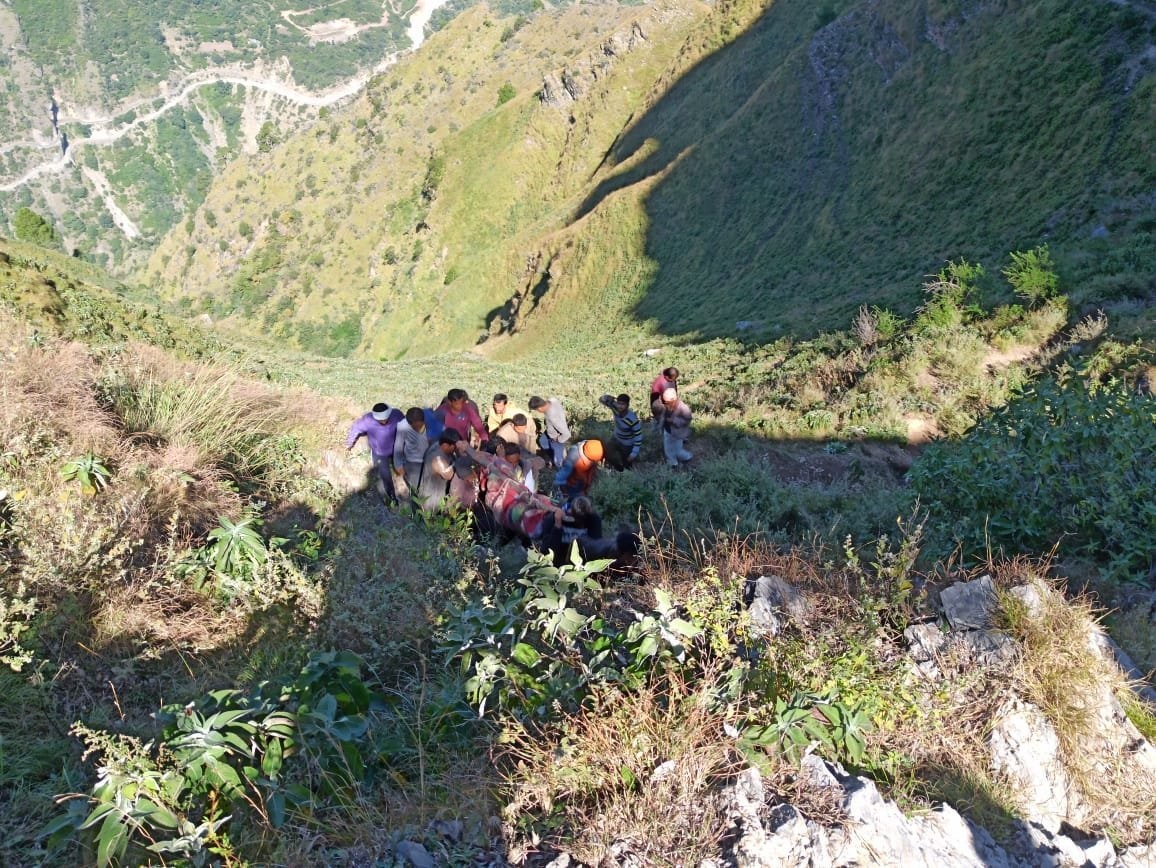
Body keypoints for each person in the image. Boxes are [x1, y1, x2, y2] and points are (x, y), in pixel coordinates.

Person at [458, 442, 564, 541]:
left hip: (521, 493)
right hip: (504, 498)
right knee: (522, 512)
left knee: (542, 501)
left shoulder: (519, 465)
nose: (514, 464)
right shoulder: (497, 464)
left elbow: (539, 462)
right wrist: (467, 448)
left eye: (516, 462)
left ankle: (551, 519)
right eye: (511, 462)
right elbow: (481, 459)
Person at [345, 402, 404, 502]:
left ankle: (408, 487)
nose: (384, 421)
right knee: (385, 476)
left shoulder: (396, 415)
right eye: (380, 420)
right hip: (379, 452)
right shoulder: (368, 420)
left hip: (396, 448)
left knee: (403, 467)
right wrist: (349, 444)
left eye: (385, 418)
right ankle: (392, 497)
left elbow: (406, 425)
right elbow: (355, 428)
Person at [416, 431, 461, 512]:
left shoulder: (438, 444)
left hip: (435, 495)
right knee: (432, 522)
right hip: (431, 501)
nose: (455, 449)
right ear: (446, 445)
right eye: (454, 447)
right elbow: (449, 475)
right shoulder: (437, 459)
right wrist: (461, 460)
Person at [494, 413, 540, 490]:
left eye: (524, 428)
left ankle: (533, 486)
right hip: (512, 456)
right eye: (519, 429)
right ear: (512, 425)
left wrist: (533, 455)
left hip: (527, 451)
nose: (522, 431)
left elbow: (532, 439)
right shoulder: (502, 434)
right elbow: (502, 452)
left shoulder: (531, 423)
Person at [392, 407, 430, 500]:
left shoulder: (430, 422)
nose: (418, 428)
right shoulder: (402, 426)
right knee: (416, 492)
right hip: (413, 463)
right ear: (409, 423)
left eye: (420, 426)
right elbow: (398, 447)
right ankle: (417, 512)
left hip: (429, 460)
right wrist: (398, 465)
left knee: (429, 489)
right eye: (414, 427)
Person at [598, 393, 642, 470]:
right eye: (619, 403)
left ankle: (624, 473)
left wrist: (634, 453)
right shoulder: (615, 407)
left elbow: (638, 436)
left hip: (627, 444)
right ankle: (612, 468)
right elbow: (601, 399)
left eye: (623, 404)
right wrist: (609, 397)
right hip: (616, 438)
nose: (620, 406)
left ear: (627, 405)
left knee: (627, 463)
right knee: (607, 452)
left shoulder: (632, 419)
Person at [652, 387, 693, 467]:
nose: (665, 403)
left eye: (667, 402)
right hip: (668, 431)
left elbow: (687, 420)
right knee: (669, 450)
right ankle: (673, 462)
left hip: (678, 433)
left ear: (674, 399)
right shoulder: (667, 405)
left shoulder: (684, 408)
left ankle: (685, 458)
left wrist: (674, 421)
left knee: (677, 450)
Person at [553, 439, 603, 504]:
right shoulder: (573, 456)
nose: (593, 462)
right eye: (591, 461)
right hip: (572, 484)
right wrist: (563, 490)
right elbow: (562, 475)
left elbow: (591, 471)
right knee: (570, 502)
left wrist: (587, 487)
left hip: (582, 483)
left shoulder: (595, 449)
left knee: (578, 501)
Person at [528, 395, 570, 466]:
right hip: (550, 432)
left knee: (558, 462)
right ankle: (552, 456)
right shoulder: (552, 400)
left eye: (536, 410)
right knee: (543, 441)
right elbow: (554, 399)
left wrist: (558, 440)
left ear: (540, 408)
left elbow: (567, 434)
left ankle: (558, 464)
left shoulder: (553, 417)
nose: (538, 412)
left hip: (556, 437)